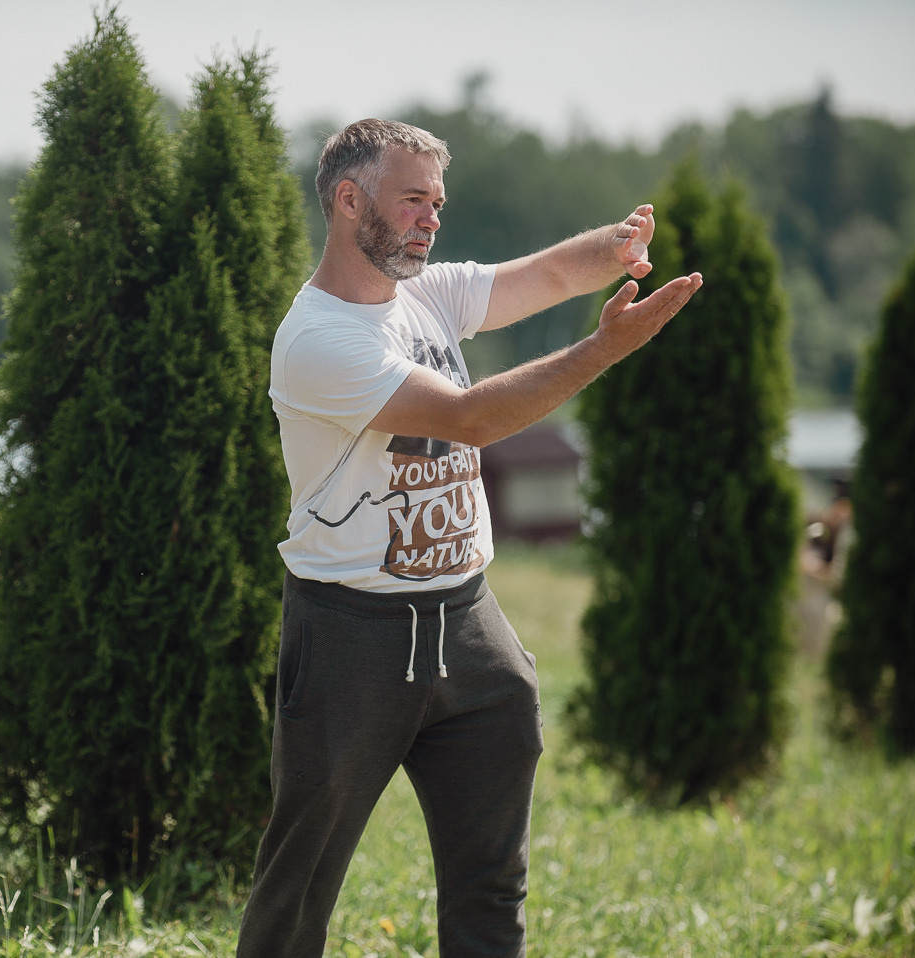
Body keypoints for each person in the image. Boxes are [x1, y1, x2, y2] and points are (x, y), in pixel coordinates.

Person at [236, 118, 703, 958]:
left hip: (471, 628)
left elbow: (549, 273)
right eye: (413, 199)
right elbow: (471, 418)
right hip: (352, 638)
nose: (431, 219)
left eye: (438, 203)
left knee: (493, 885)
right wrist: (605, 348)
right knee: (298, 892)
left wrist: (616, 247)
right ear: (349, 201)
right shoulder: (317, 340)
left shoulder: (428, 294)